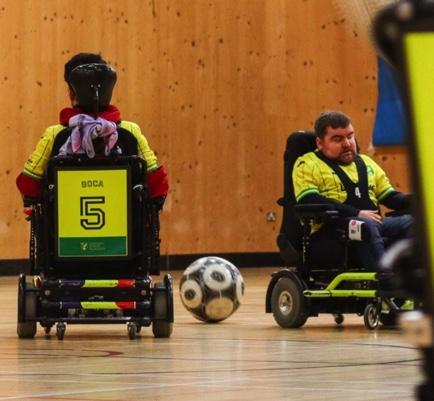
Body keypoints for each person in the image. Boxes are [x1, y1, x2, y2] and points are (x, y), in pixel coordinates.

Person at [16, 52, 168, 205]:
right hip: (128, 228)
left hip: (64, 227)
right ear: (108, 89)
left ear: (71, 92)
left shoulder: (54, 134)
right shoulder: (131, 131)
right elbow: (158, 186)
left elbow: (28, 185)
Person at [292, 110, 412, 271]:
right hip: (331, 233)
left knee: (415, 222)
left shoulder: (367, 163)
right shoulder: (307, 164)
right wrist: (356, 213)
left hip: (373, 225)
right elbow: (309, 199)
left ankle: (415, 275)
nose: (347, 143)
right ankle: (386, 278)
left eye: (350, 136)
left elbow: (390, 197)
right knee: (365, 224)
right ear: (320, 143)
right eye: (337, 139)